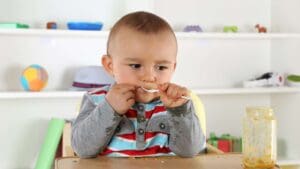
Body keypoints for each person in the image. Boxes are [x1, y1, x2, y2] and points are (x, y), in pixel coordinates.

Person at [71, 11, 206, 158]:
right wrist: (110, 108)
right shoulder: (96, 100)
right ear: (110, 66)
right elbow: (81, 149)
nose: (149, 77)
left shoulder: (177, 104)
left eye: (161, 68)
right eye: (135, 65)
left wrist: (179, 112)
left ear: (173, 68)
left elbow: (191, 151)